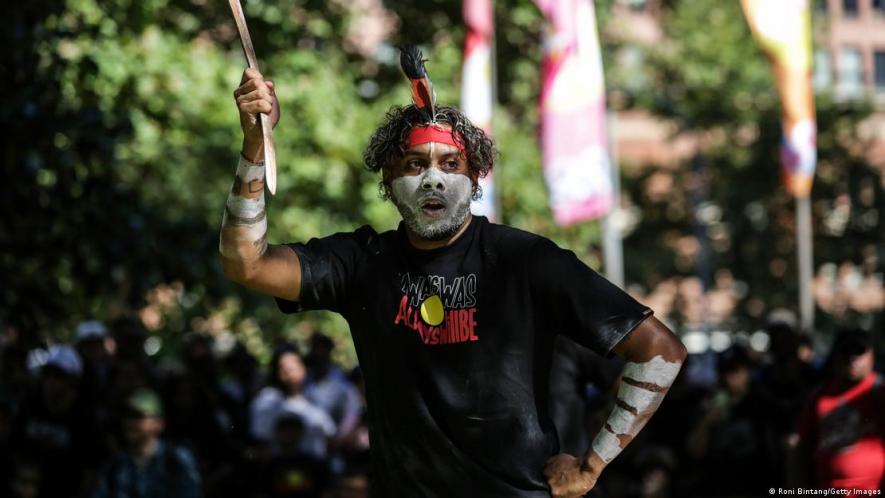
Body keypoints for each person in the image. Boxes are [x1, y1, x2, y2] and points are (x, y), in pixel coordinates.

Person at [220, 46, 687, 497]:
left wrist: (591, 465)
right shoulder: (363, 263)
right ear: (389, 181)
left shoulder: (526, 261)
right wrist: (255, 145)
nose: (433, 179)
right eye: (414, 164)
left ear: (475, 177)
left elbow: (659, 351)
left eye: (450, 163)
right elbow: (247, 262)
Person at [790, 329, 885, 495]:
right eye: (846, 352)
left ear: (872, 355)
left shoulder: (880, 391)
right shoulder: (819, 396)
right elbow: (801, 447)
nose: (852, 359)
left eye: (859, 352)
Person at [93, 388, 202, 498]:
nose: (130, 422)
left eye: (138, 416)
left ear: (159, 423)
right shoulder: (116, 465)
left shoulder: (176, 460)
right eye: (127, 416)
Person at [249, 345, 336, 459]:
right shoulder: (267, 400)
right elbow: (261, 440)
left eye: (294, 365)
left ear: (304, 368)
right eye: (283, 367)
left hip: (315, 464)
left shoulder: (314, 396)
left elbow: (329, 433)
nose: (289, 371)